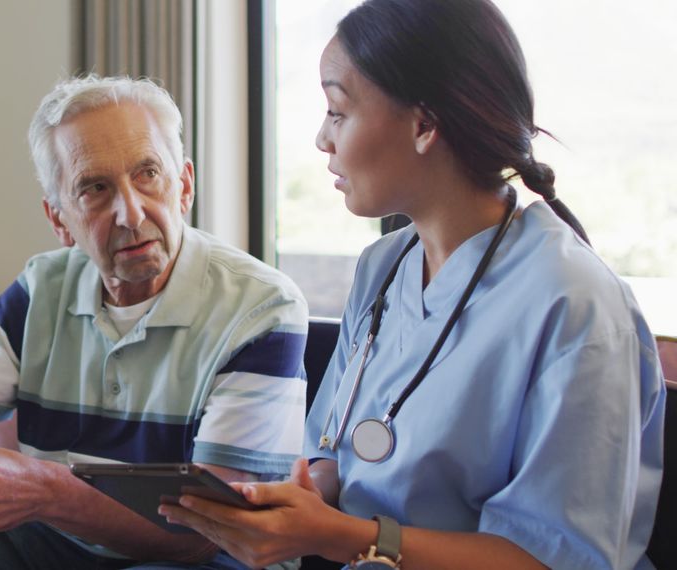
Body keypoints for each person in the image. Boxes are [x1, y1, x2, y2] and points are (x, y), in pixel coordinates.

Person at [160, 1, 665, 569]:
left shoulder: (577, 305)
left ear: (424, 126)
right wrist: (298, 496)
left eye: (337, 111)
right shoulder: (383, 267)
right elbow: (336, 456)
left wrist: (340, 536)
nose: (322, 139)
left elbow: (558, 559)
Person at [0, 75, 310, 569]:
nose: (130, 213)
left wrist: (48, 492)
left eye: (148, 173)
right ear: (58, 219)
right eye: (95, 188)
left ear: (185, 186)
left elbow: (205, 535)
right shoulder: (38, 290)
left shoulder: (261, 307)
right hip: (55, 543)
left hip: (209, 555)